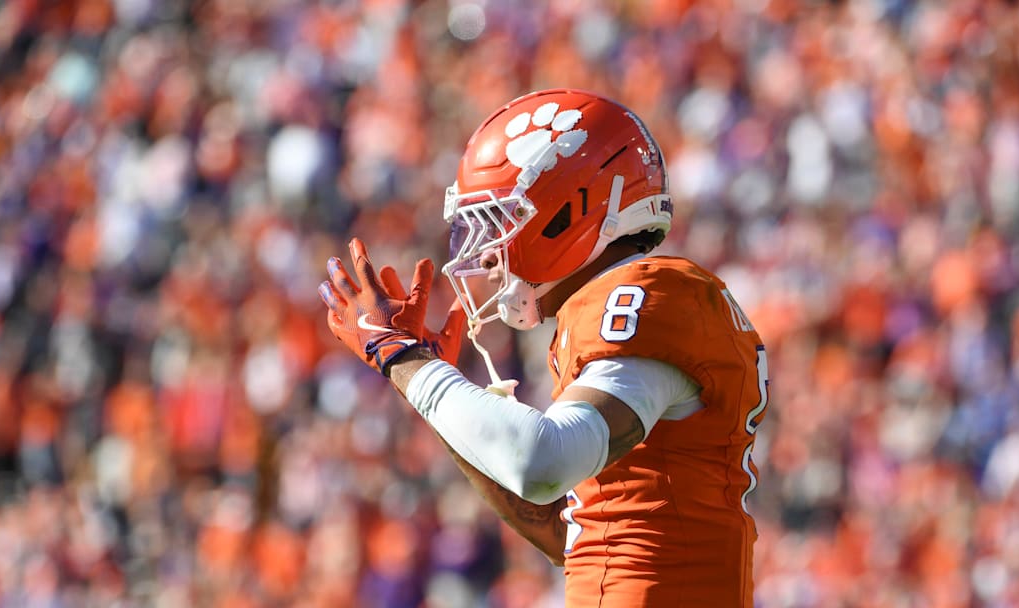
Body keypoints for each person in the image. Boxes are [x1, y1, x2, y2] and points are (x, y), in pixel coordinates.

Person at [319, 89, 769, 607]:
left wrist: (403, 359)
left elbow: (540, 462)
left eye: (497, 222)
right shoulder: (619, 308)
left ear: (567, 210)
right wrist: (427, 385)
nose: (485, 256)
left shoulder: (648, 293)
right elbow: (562, 528)